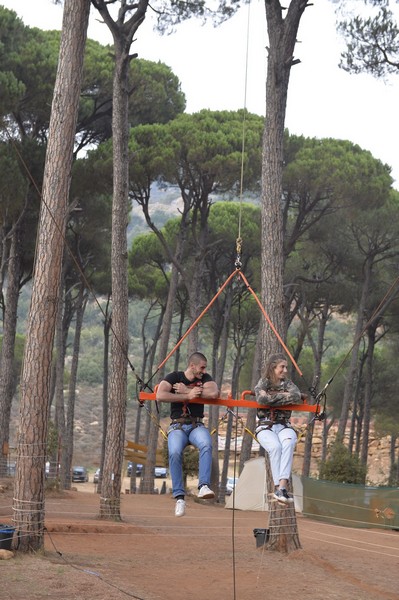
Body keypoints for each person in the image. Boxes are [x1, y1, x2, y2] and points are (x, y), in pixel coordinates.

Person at [156, 352, 219, 517]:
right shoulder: (174, 377)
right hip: (177, 425)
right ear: (192, 365)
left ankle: (203, 485)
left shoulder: (205, 378)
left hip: (196, 424)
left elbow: (213, 393)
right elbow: (160, 395)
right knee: (175, 451)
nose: (204, 371)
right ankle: (179, 497)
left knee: (206, 444)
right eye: (202, 367)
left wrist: (189, 390)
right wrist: (187, 395)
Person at [254, 352, 301, 505]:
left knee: (288, 442)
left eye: (286, 367)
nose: (285, 370)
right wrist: (282, 397)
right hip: (265, 425)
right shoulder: (263, 383)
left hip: (283, 425)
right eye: (282, 367)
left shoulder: (288, 384)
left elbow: (295, 396)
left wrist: (272, 398)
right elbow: (261, 398)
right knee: (275, 447)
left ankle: (282, 487)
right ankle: (277, 488)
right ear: (273, 367)